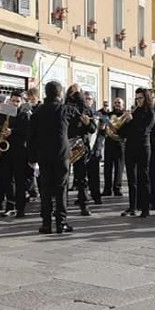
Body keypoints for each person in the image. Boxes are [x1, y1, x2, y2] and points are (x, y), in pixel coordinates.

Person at [28, 81, 81, 234]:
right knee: (61, 188)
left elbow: (31, 136)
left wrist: (32, 157)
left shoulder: (38, 111)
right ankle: (61, 222)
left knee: (45, 189)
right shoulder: (64, 109)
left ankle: (46, 223)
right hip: (61, 154)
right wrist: (77, 94)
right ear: (60, 94)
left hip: (43, 154)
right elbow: (82, 110)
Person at [117, 88, 155, 218]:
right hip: (130, 148)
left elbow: (143, 130)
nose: (138, 101)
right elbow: (123, 133)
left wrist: (132, 120)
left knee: (143, 178)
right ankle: (132, 207)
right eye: (137, 98)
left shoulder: (150, 113)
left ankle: (145, 208)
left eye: (141, 98)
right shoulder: (134, 112)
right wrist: (123, 122)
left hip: (143, 148)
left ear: (146, 98)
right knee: (131, 179)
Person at [65, 83, 97, 216]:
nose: (76, 95)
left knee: (82, 178)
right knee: (64, 177)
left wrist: (87, 123)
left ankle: (84, 205)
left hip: (81, 145)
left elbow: (93, 128)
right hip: (67, 144)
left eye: (78, 92)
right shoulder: (65, 107)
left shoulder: (86, 109)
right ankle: (63, 204)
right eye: (73, 92)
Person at [102, 98, 125, 197]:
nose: (117, 104)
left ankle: (117, 188)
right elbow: (103, 126)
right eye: (115, 103)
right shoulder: (108, 114)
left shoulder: (125, 115)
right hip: (109, 143)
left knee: (119, 167)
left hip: (120, 143)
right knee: (107, 167)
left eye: (119, 103)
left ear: (123, 105)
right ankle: (107, 189)